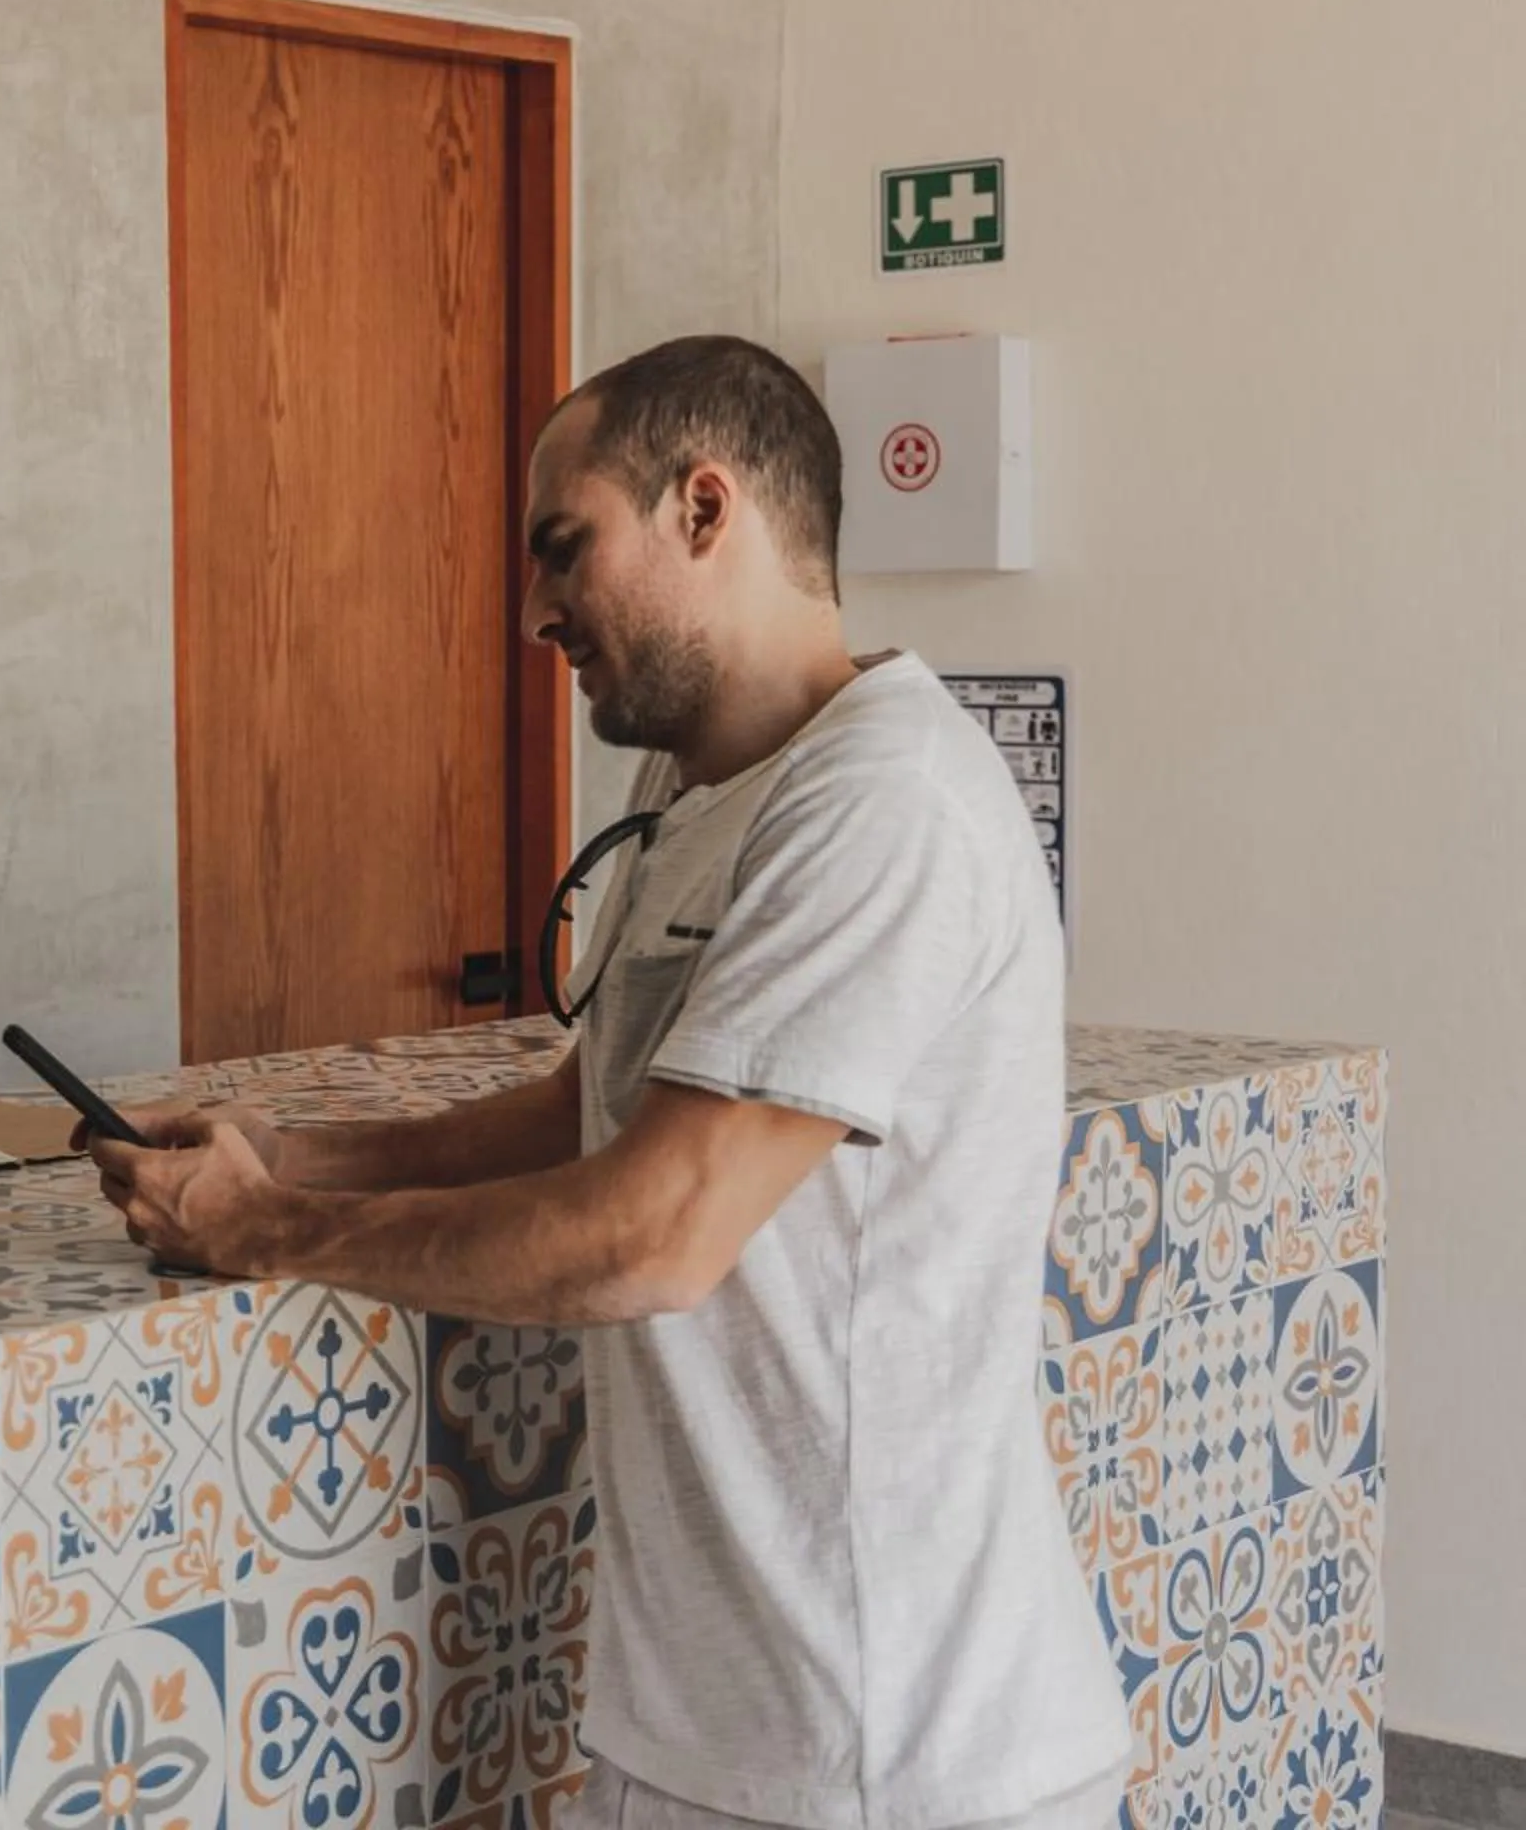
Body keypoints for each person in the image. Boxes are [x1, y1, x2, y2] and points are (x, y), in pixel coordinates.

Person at [90, 335, 1130, 1830]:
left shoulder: (884, 805)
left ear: (705, 510)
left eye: (563, 548)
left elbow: (653, 1233)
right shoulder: (697, 786)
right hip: (697, 1727)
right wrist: (291, 1154)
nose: (533, 610)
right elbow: (594, 1107)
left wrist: (258, 1236)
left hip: (890, 1751)